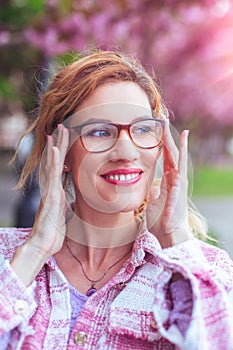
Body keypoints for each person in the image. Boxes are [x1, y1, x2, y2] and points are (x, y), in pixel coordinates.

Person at [0, 50, 232, 350]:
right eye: (99, 131)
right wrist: (34, 252)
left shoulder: (206, 272)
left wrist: (176, 237)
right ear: (61, 150)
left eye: (143, 129)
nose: (125, 151)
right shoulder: (9, 257)